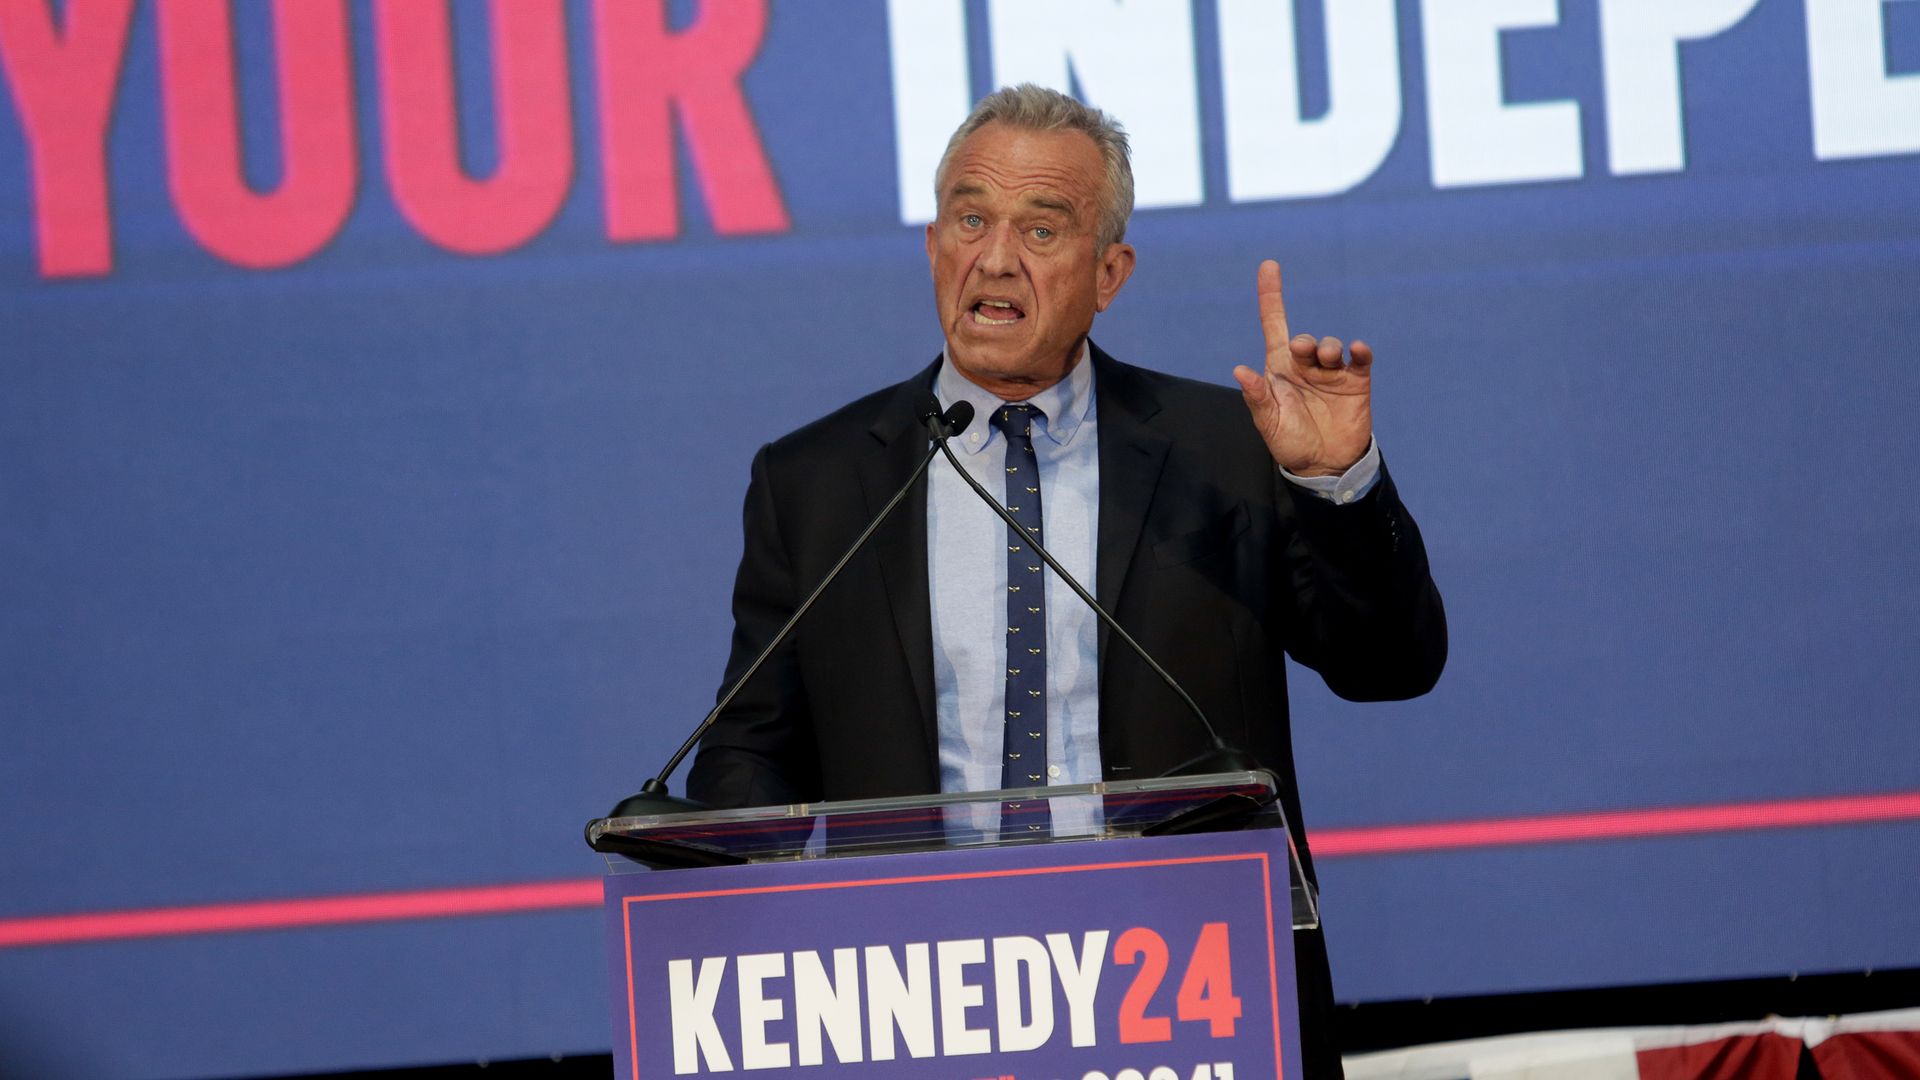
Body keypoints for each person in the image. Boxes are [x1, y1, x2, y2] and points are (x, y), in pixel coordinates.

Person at [686, 84, 1446, 1078]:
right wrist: (766, 910)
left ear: (1109, 272)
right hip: (923, 1006)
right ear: (932, 243)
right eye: (970, 217)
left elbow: (1389, 664)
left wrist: (1332, 483)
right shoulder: (820, 483)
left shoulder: (1226, 451)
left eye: (1041, 228)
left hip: (1189, 998)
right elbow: (749, 752)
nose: (994, 257)